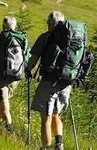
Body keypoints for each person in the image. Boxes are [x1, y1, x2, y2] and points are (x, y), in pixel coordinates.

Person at [25, 10, 80, 150]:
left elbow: (33, 59)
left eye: (47, 22)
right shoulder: (72, 39)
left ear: (50, 23)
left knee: (46, 116)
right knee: (56, 113)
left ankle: (46, 147)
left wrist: (28, 70)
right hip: (67, 83)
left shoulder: (46, 37)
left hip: (49, 81)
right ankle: (59, 145)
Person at [0, 15, 30, 133]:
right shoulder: (22, 38)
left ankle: (9, 125)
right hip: (17, 76)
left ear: (3, 25)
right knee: (4, 99)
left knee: (4, 100)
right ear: (15, 26)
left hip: (1, 75)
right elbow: (27, 57)